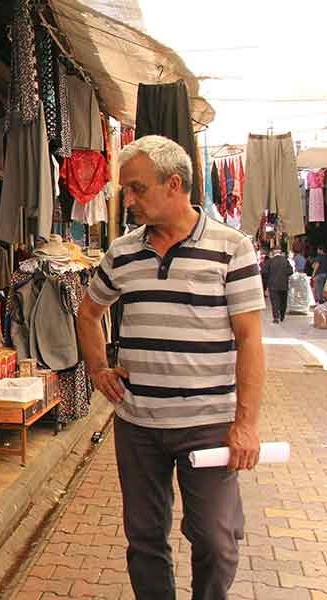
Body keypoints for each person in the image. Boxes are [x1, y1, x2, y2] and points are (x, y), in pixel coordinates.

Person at [77, 135, 264, 600]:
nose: (131, 201)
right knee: (144, 540)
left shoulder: (231, 248)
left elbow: (250, 340)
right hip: (138, 424)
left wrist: (245, 424)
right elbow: (87, 312)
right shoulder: (122, 253)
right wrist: (99, 368)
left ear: (174, 183)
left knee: (217, 541)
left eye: (138, 189)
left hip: (208, 426)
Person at [261, 249, 294, 323]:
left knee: (274, 301)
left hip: (272, 285)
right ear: (281, 253)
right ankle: (282, 316)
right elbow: (290, 271)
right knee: (283, 301)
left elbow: (264, 272)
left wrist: (269, 279)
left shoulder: (270, 261)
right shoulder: (285, 260)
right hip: (283, 284)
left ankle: (276, 317)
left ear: (273, 253)